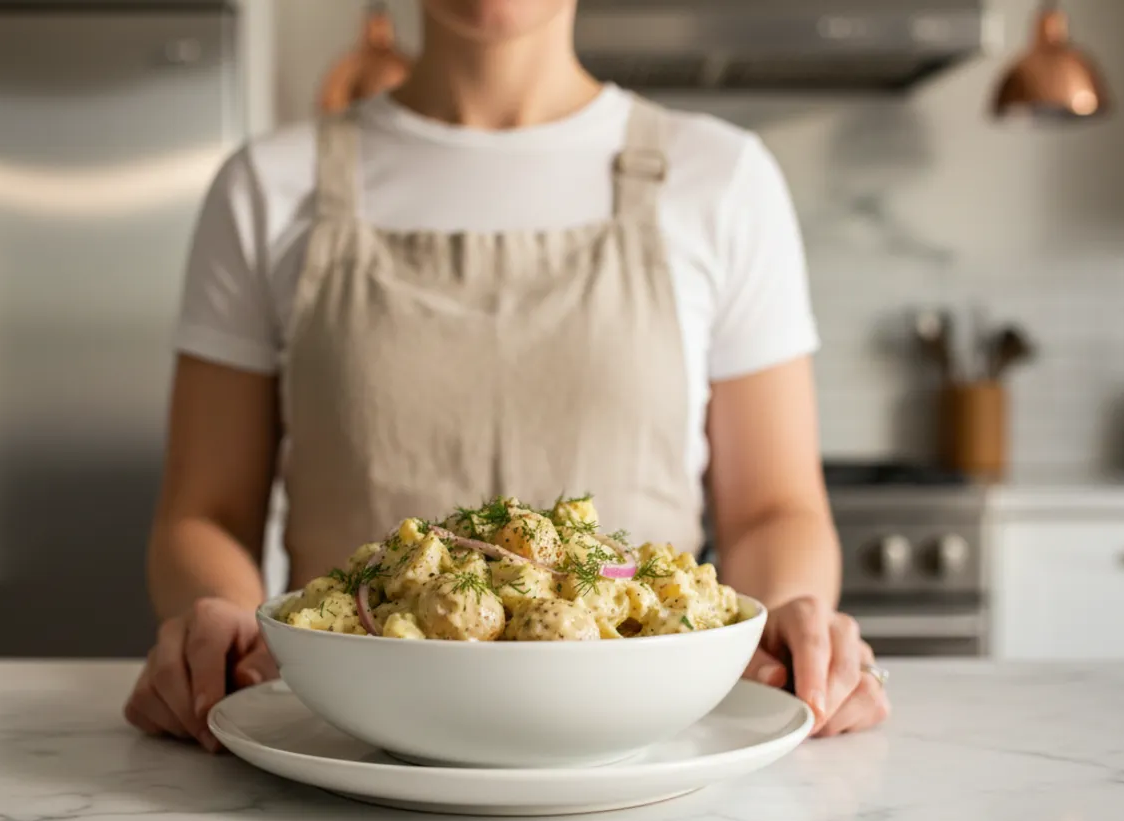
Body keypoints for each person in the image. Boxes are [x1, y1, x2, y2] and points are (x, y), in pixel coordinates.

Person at [122, 0, 891, 753]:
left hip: (648, 748)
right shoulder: (268, 183)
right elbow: (206, 511)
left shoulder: (722, 179)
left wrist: (793, 618)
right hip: (349, 745)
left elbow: (772, 509)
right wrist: (215, 615)